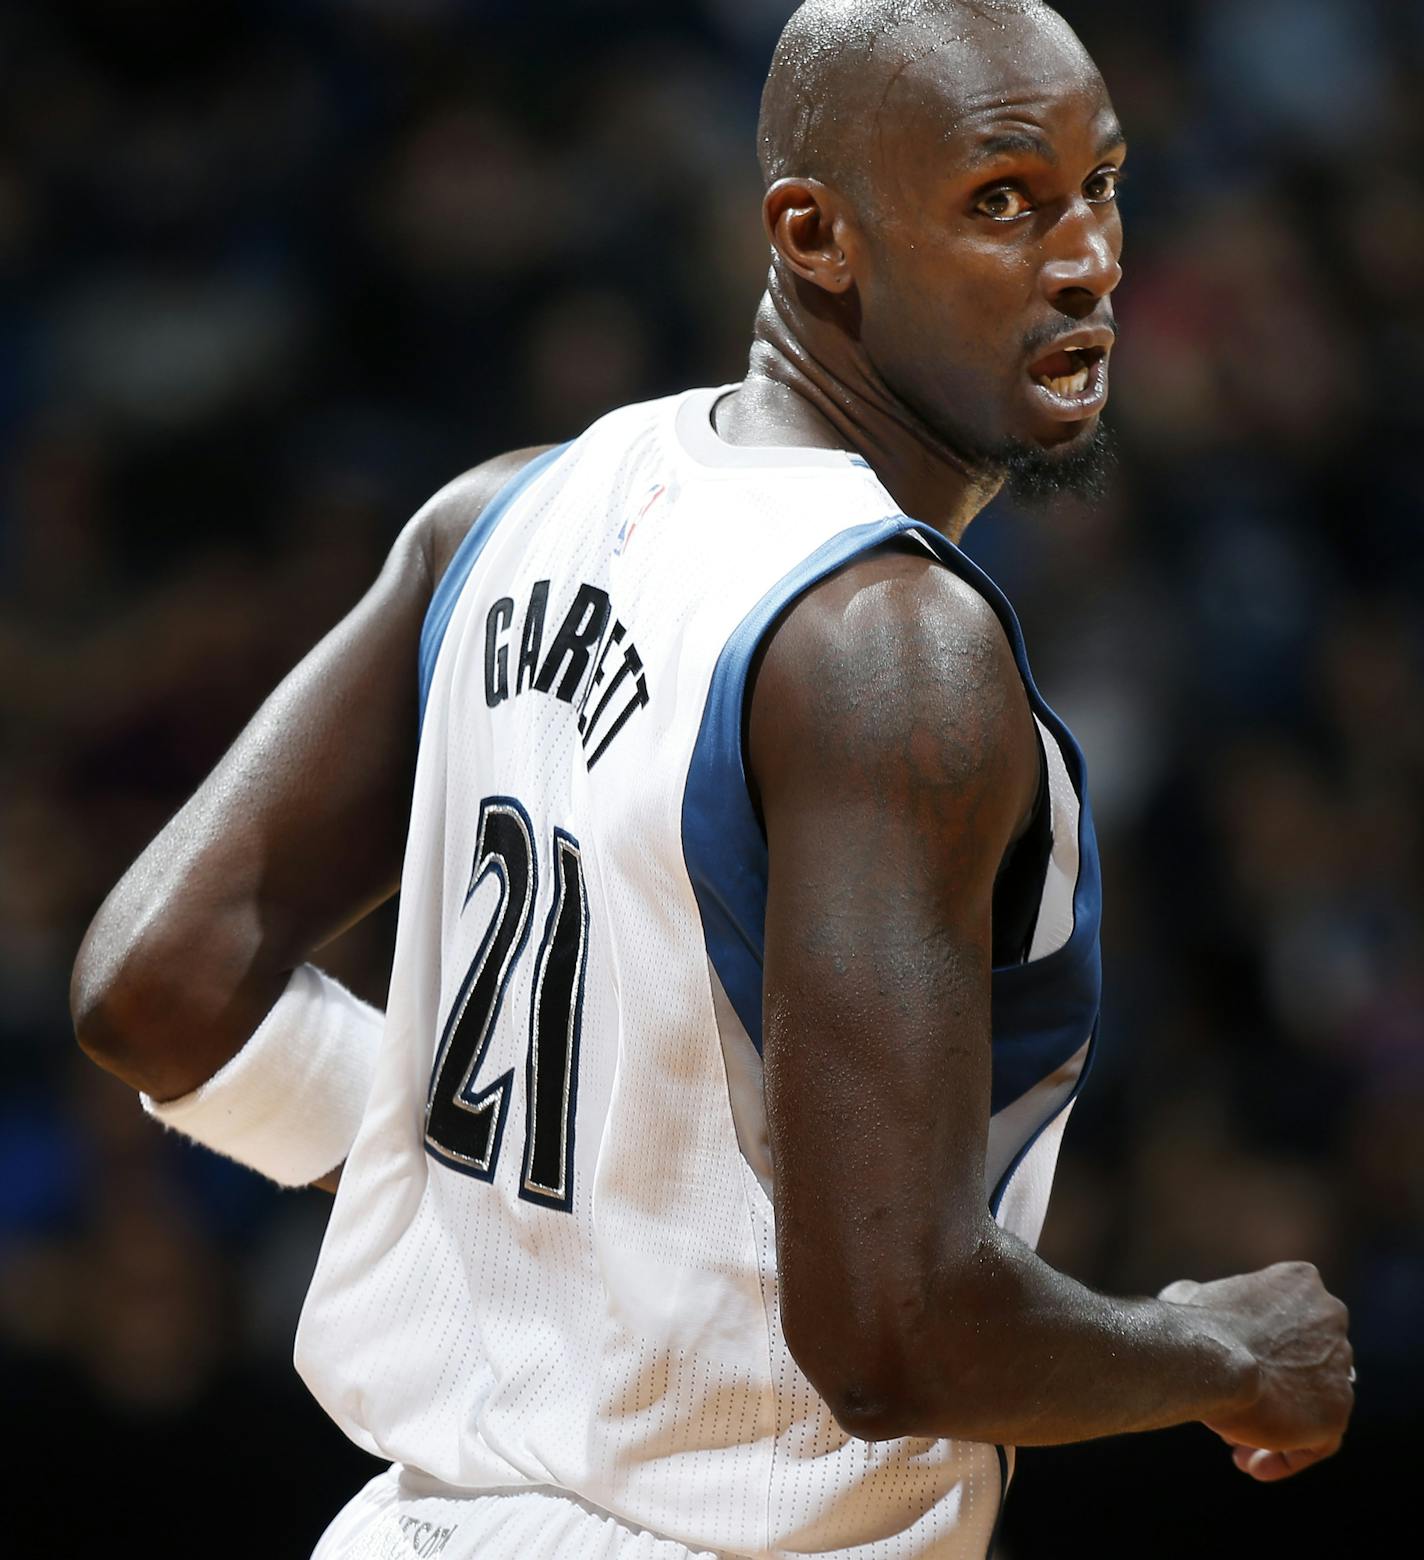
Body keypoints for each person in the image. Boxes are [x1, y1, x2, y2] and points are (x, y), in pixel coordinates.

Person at [71, 1, 1355, 1556]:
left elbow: (158, 985)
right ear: (814, 235)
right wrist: (1226, 1356)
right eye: (1004, 202)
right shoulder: (892, 645)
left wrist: (497, 1189)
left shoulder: (499, 516)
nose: (1086, 259)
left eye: (1104, 187)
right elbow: (892, 1337)